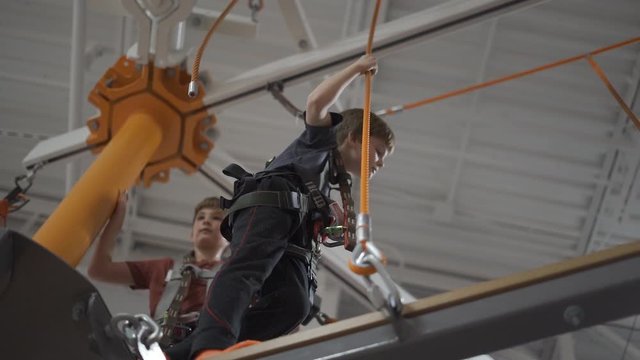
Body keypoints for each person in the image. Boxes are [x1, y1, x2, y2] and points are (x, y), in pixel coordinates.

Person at [167, 54, 395, 360]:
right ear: (354, 139)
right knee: (247, 269)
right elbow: (316, 103)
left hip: (291, 233)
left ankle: (182, 354)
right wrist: (356, 69)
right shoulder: (319, 143)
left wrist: (332, 224)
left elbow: (317, 224)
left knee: (294, 303)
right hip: (273, 204)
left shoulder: (330, 181)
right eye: (378, 152)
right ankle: (210, 346)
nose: (379, 163)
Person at [87, 193, 229, 347]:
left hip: (211, 349)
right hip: (160, 349)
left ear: (230, 236)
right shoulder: (164, 268)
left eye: (216, 218)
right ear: (191, 234)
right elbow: (99, 270)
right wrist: (116, 221)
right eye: (201, 218)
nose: (206, 221)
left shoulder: (235, 273)